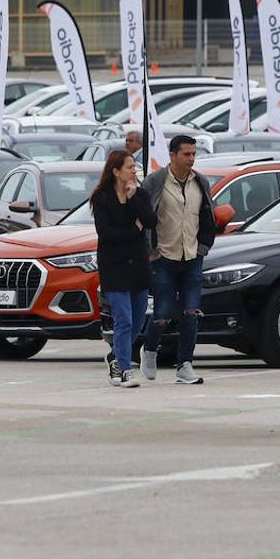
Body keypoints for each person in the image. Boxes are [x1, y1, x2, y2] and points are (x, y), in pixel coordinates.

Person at [139, 134, 217, 384]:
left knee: (191, 313)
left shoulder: (200, 182)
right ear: (172, 156)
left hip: (192, 257)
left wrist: (204, 246)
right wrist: (150, 251)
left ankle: (185, 365)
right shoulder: (156, 181)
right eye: (186, 154)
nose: (191, 159)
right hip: (164, 258)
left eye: (194, 154)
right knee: (162, 313)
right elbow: (142, 216)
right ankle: (149, 349)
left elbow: (208, 216)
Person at [92, 150, 156, 388]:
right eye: (129, 167)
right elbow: (107, 234)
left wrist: (133, 199)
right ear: (115, 171)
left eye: (134, 167)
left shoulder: (140, 194)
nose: (133, 171)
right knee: (124, 320)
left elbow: (150, 221)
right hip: (114, 266)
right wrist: (134, 230)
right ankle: (126, 370)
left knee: (139, 320)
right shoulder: (101, 198)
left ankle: (115, 357)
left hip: (138, 265)